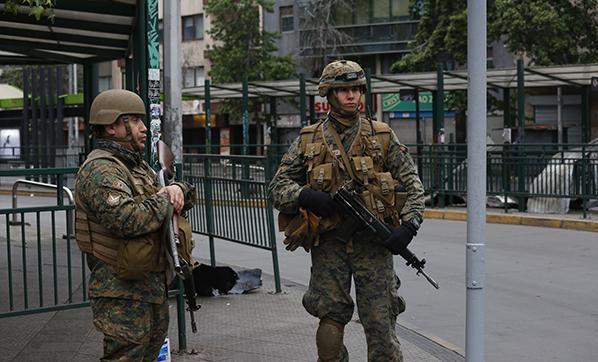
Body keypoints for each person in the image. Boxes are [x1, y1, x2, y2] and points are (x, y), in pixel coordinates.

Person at [268, 60, 425, 362]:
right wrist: (307, 195)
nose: (352, 96)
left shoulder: (381, 136)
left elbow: (413, 183)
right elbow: (277, 187)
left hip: (374, 247)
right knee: (330, 318)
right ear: (328, 94)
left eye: (355, 89)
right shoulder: (309, 139)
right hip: (329, 245)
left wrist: (409, 225)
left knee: (380, 324)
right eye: (343, 90)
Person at [74, 89, 195, 361]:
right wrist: (166, 198)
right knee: (126, 356)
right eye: (135, 121)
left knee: (149, 355)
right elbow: (127, 219)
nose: (143, 128)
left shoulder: (136, 167)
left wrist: (177, 188)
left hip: (149, 284)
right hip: (120, 290)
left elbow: (181, 194)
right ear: (112, 126)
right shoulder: (101, 170)